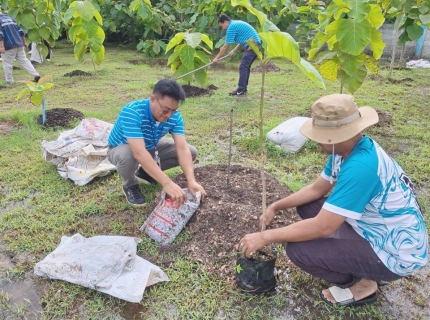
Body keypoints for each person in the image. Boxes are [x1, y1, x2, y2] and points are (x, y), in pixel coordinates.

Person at [239, 94, 428, 307]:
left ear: (337, 135)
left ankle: (363, 284)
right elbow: (316, 189)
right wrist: (276, 205)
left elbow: (323, 227)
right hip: (373, 228)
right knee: (308, 206)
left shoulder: (361, 167)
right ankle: (351, 259)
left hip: (396, 253)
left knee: (298, 250)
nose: (316, 139)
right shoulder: (344, 150)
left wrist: (265, 236)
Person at [107, 78, 206, 206]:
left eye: (173, 110)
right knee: (129, 154)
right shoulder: (132, 112)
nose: (169, 115)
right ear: (153, 99)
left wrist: (191, 181)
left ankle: (145, 174)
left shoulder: (174, 117)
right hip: (121, 148)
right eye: (165, 110)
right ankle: (130, 185)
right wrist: (167, 183)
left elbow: (182, 148)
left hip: (150, 146)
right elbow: (139, 152)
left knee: (191, 151)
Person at [212, 14, 261, 96]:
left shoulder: (231, 27)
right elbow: (242, 41)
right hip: (253, 44)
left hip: (253, 45)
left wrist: (216, 58)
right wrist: (234, 51)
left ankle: (241, 90)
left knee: (243, 67)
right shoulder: (234, 24)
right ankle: (243, 89)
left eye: (222, 26)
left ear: (225, 22)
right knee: (245, 67)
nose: (223, 28)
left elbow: (225, 46)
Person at [0, 9, 40, 83]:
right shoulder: (10, 18)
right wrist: (24, 42)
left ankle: (9, 80)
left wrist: (1, 46)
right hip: (19, 43)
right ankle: (36, 75)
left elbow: (0, 35)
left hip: (9, 45)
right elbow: (21, 31)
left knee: (7, 63)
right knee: (24, 61)